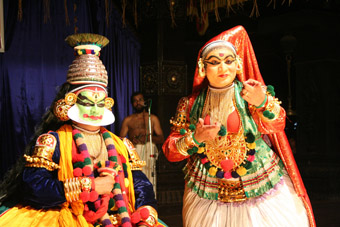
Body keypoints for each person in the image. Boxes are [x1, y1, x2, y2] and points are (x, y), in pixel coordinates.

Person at [0, 33, 165, 227]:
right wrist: (91, 186)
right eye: (87, 102)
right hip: (71, 217)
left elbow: (142, 186)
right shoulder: (52, 141)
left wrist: (146, 217)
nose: (96, 109)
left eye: (100, 102)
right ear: (70, 102)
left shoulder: (121, 145)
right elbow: (33, 187)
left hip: (121, 218)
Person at [162, 25, 316, 227]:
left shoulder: (251, 93)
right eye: (214, 63)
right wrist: (195, 139)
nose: (223, 68)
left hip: (262, 184)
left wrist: (262, 102)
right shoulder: (189, 104)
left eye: (228, 61)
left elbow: (277, 124)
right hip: (207, 191)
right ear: (202, 67)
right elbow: (170, 151)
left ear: (238, 64)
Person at [120, 92, 164, 188]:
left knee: (150, 176)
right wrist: (131, 142)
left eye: (140, 100)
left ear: (144, 101)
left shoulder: (152, 118)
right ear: (132, 104)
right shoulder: (128, 120)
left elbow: (161, 138)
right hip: (134, 152)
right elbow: (120, 140)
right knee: (136, 178)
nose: (138, 103)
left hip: (149, 150)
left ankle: (151, 200)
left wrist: (148, 138)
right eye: (135, 101)